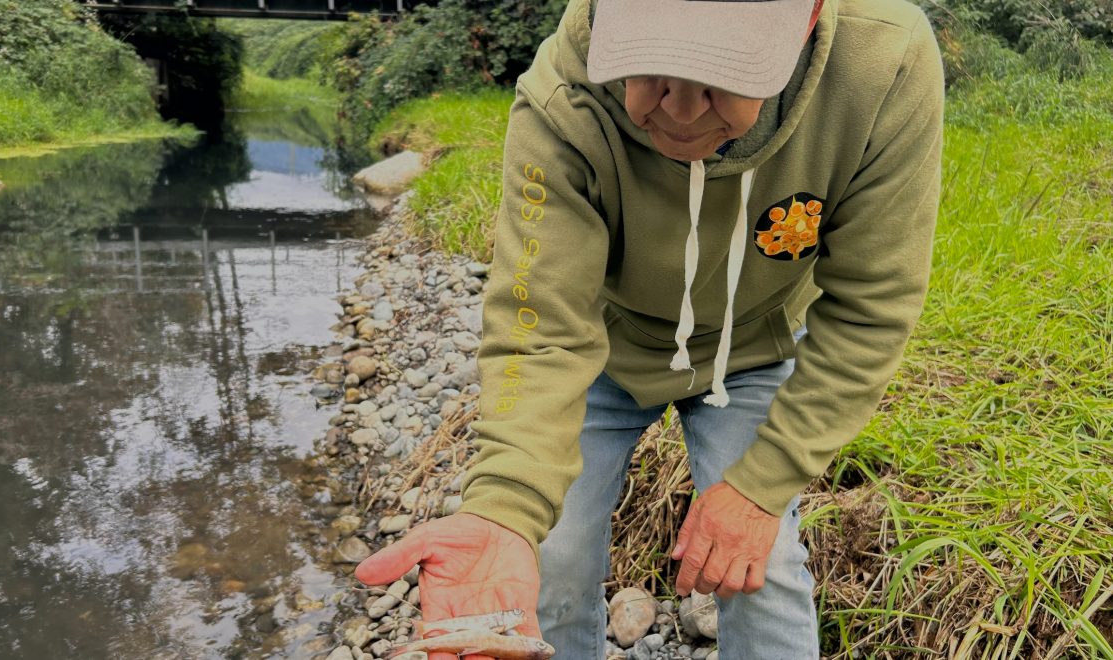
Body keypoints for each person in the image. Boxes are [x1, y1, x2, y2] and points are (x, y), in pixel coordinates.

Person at [357, 0, 944, 657]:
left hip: (749, 347)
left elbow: (873, 305)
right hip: (602, 347)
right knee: (548, 553)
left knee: (764, 567)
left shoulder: (883, 63)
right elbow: (542, 322)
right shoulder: (564, 94)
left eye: (722, 77)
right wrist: (504, 507)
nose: (682, 110)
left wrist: (760, 488)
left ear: (805, 21)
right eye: (653, 69)